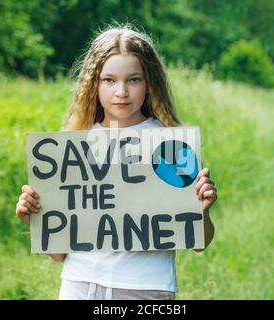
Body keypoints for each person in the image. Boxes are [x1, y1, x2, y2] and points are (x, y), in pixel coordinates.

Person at [15, 25, 217, 300]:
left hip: (146, 288)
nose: (121, 91)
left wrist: (202, 210)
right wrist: (38, 217)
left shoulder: (171, 146)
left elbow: (200, 242)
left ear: (150, 83)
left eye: (133, 79)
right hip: (79, 284)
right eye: (109, 80)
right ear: (93, 84)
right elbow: (58, 254)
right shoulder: (74, 145)